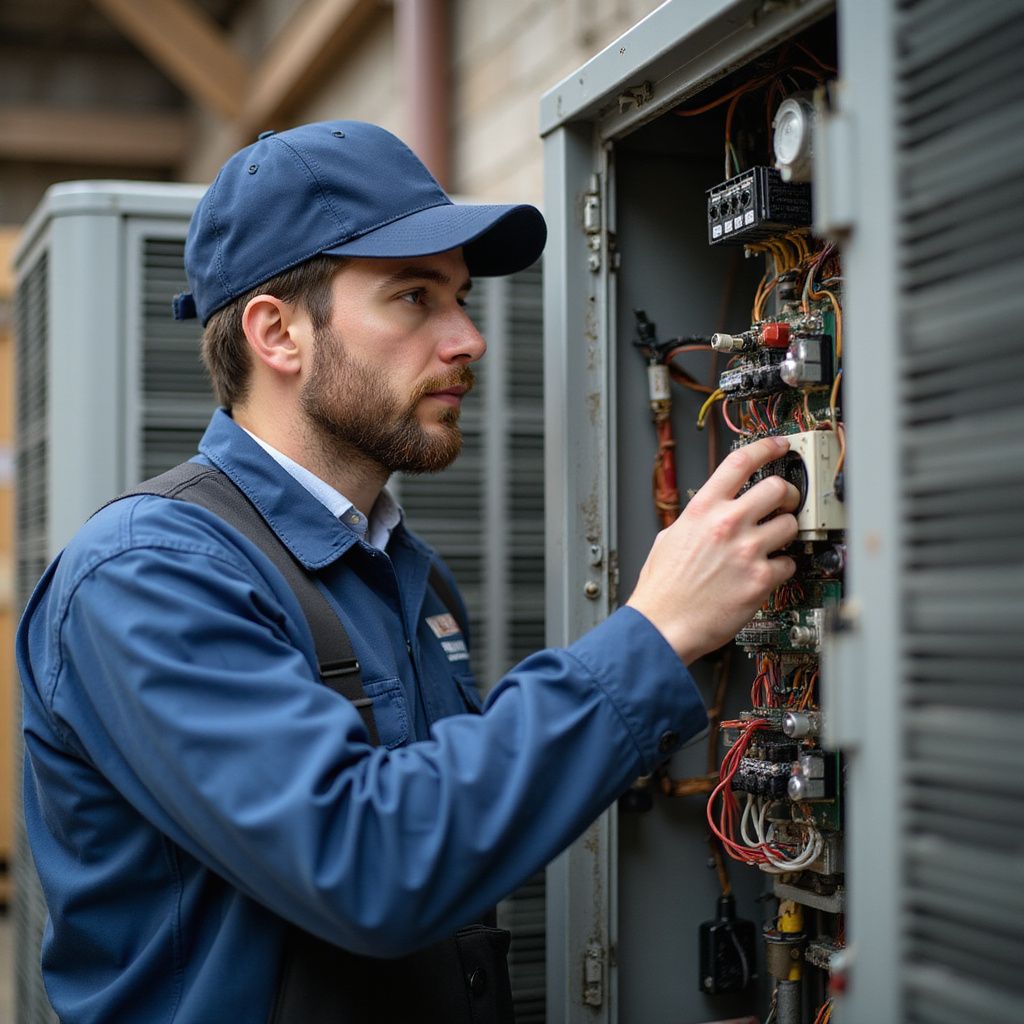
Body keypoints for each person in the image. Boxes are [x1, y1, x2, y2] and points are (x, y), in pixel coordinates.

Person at [17, 121, 800, 1023]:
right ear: (278, 333)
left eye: (461, 298)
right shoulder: (146, 577)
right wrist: (653, 636)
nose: (468, 338)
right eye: (414, 298)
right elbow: (369, 867)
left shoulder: (402, 574)